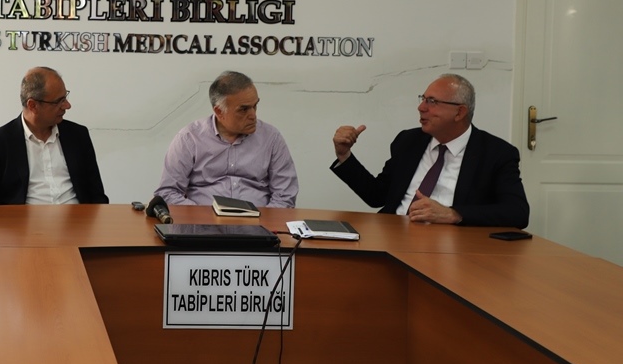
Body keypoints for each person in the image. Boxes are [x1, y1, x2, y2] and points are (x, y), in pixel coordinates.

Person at [330, 73, 529, 227]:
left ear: (459, 112)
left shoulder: (496, 153)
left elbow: (518, 213)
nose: (421, 107)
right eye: (423, 99)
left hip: (452, 247)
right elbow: (377, 196)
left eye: (432, 102)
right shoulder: (408, 141)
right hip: (395, 235)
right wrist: (344, 155)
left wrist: (453, 214)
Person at [155, 71, 298, 207]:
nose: (253, 115)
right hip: (201, 221)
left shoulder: (271, 138)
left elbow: (285, 196)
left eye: (255, 106)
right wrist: (202, 217)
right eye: (243, 109)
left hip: (259, 221)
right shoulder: (189, 138)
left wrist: (263, 220)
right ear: (219, 111)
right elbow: (168, 193)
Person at [0, 67, 108, 206]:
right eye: (59, 101)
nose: (67, 106)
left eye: (65, 97)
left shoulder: (78, 135)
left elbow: (97, 196)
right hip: (25, 219)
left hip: (78, 217)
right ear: (33, 105)